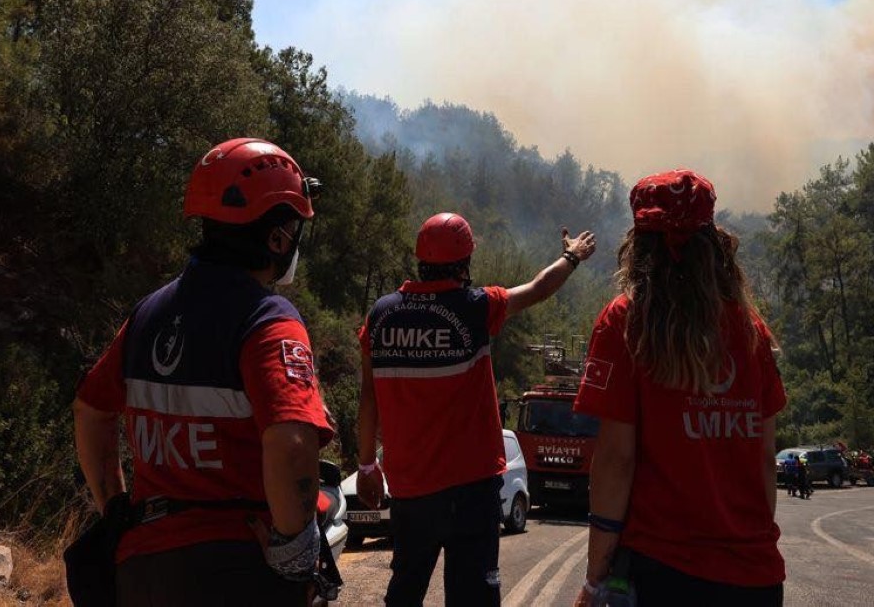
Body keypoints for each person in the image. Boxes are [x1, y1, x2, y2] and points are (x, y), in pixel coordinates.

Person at [73, 139, 335, 606]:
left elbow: (91, 410)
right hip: (235, 569)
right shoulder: (269, 320)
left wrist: (115, 509)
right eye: (293, 226)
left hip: (143, 571)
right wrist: (296, 554)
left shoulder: (148, 314)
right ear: (276, 237)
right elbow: (292, 443)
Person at [356, 212, 596, 606]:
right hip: (471, 490)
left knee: (405, 591)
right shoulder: (475, 307)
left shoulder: (381, 315)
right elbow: (537, 289)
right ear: (464, 263)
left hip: (410, 490)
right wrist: (571, 257)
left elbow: (368, 399)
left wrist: (367, 466)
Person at [572, 170, 786, 606]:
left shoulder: (626, 323)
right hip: (756, 581)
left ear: (639, 244)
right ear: (712, 241)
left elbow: (616, 459)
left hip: (663, 573)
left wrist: (595, 578)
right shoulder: (752, 332)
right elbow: (765, 461)